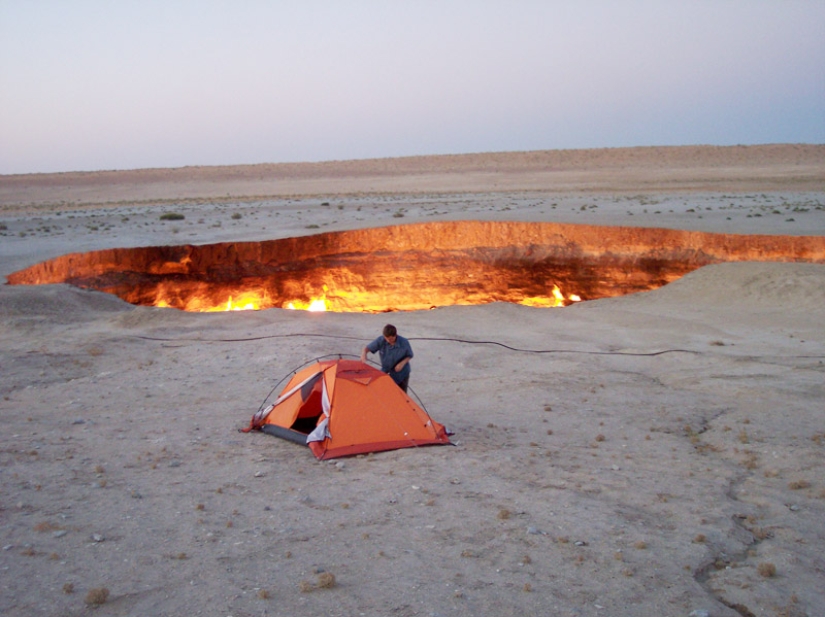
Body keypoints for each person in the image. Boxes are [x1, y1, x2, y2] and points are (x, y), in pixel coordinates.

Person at [361, 324, 413, 392]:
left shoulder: (404, 342)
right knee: (385, 391)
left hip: (401, 373)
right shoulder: (381, 340)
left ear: (395, 335)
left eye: (391, 339)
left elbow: (410, 355)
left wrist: (402, 363)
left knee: (401, 394)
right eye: (387, 338)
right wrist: (364, 353)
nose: (389, 341)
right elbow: (367, 348)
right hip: (386, 371)